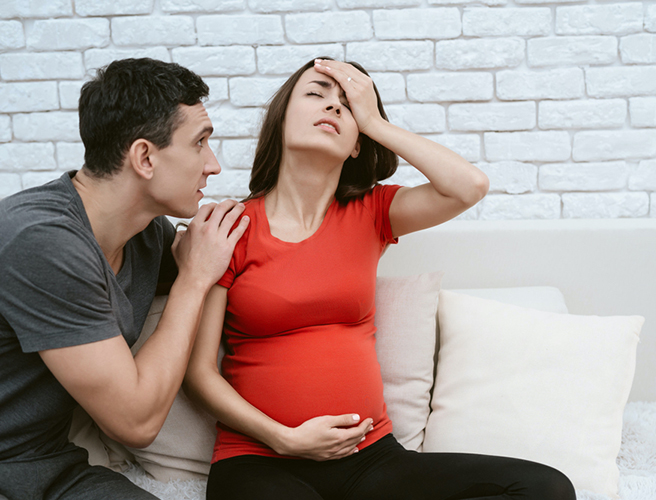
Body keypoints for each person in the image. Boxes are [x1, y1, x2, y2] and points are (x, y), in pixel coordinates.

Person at [184, 57, 576, 500]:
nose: (333, 107)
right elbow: (198, 373)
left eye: (347, 105)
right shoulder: (229, 228)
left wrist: (372, 118)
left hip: (371, 462)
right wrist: (282, 438)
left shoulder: (371, 213)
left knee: (546, 488)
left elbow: (468, 186)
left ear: (358, 143)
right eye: (316, 94)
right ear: (280, 120)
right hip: (260, 462)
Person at [0, 58, 248, 500]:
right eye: (200, 143)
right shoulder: (39, 239)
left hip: (45, 462)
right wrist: (192, 280)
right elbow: (135, 423)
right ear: (144, 157)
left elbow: (241, 279)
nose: (213, 166)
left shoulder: (148, 237)